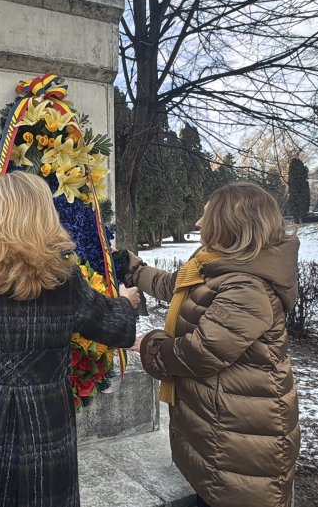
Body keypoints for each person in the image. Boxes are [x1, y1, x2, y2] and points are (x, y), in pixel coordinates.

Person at [0, 171, 140, 507]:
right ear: (42, 218)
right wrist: (126, 301)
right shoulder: (65, 283)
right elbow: (116, 328)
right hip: (42, 431)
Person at [122, 181, 300, 507]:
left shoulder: (247, 286)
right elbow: (173, 286)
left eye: (207, 216)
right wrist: (134, 270)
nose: (198, 223)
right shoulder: (216, 264)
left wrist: (150, 345)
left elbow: (200, 352)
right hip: (226, 422)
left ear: (230, 225)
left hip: (244, 435)